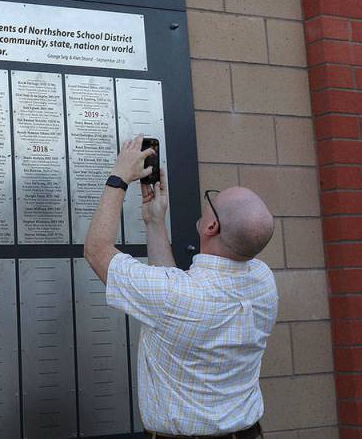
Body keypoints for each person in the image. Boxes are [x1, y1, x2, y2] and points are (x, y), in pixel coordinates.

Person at [84, 135, 278, 439]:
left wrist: (119, 176)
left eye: (212, 200)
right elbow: (174, 301)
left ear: (212, 227)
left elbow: (97, 251)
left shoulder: (178, 296)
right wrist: (154, 222)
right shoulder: (263, 282)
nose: (207, 202)